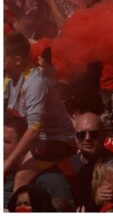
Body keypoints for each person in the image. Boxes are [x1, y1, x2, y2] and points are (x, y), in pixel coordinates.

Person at [3, 32, 76, 190]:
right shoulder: (10, 77)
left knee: (21, 176)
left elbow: (34, 130)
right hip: (37, 140)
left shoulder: (35, 83)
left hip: (57, 140)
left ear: (17, 60)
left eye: (3, 60)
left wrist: (5, 166)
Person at [69, 112, 113, 211]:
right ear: (76, 138)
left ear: (103, 136)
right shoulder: (68, 166)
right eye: (81, 134)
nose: (87, 138)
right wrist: (95, 199)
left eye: (93, 134)